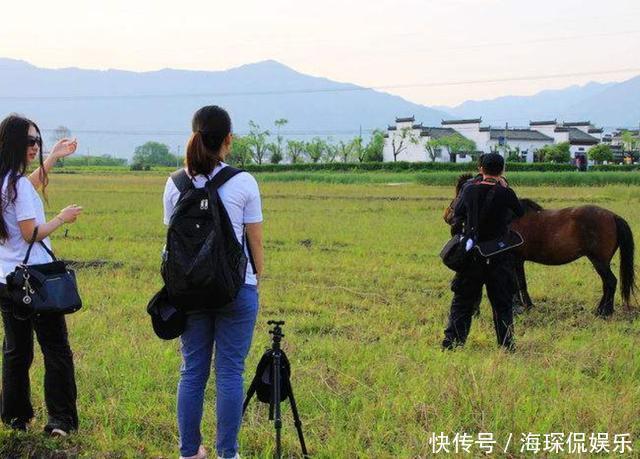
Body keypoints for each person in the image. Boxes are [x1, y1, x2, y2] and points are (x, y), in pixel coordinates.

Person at [163, 106, 264, 459]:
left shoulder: (174, 183)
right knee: (230, 373)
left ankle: (189, 452)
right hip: (235, 289)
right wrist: (255, 280)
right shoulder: (244, 182)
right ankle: (228, 454)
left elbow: (172, 243)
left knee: (192, 372)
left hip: (189, 293)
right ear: (227, 140)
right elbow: (255, 243)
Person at [0, 114, 83, 435]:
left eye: (37, 141)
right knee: (56, 349)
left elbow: (28, 186)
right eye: (29, 141)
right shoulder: (15, 183)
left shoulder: (8, 180)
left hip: (7, 278)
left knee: (17, 350)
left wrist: (52, 158)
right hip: (34, 280)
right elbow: (30, 232)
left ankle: (14, 417)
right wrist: (62, 218)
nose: (34, 146)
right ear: (13, 144)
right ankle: (61, 421)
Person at [442, 153, 524, 351]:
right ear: (502, 170)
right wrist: (505, 189)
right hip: (498, 256)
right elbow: (520, 212)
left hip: (472, 255)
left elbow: (458, 213)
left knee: (462, 302)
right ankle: (506, 346)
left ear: (480, 168)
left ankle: (452, 343)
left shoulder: (469, 190)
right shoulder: (507, 194)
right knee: (502, 304)